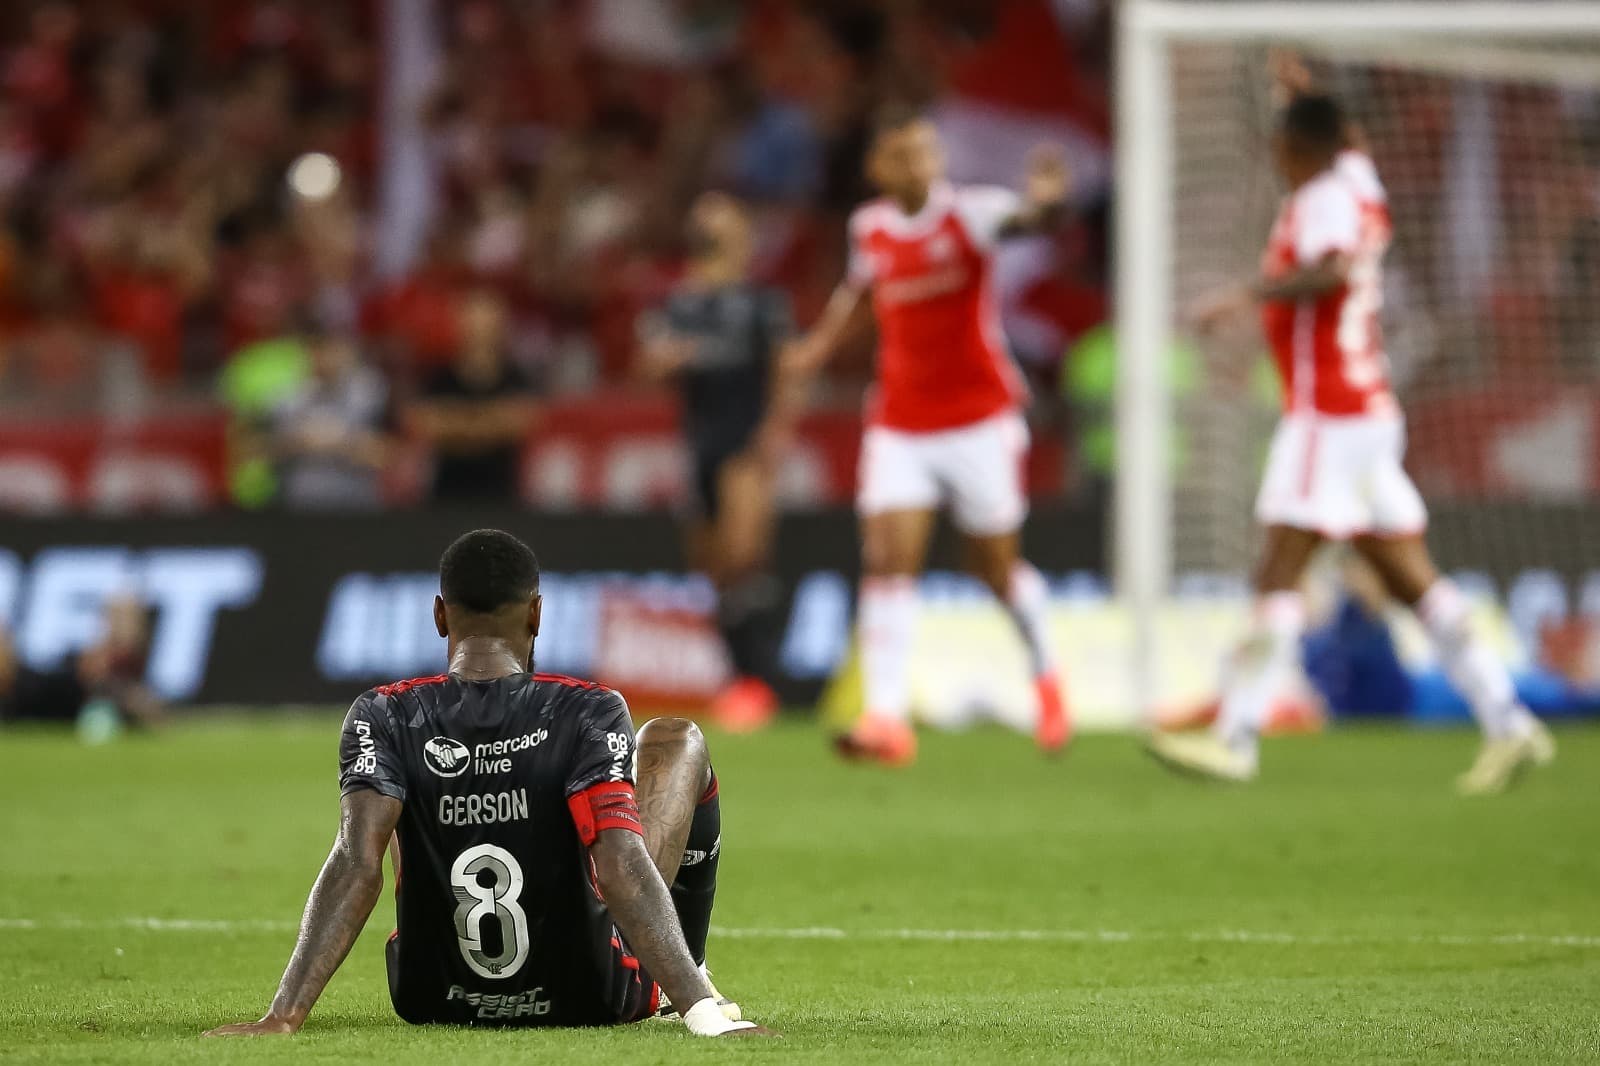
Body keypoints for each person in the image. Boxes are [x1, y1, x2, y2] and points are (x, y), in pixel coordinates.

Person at [1147, 82, 1555, 795]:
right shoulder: (1358, 179)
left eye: (1280, 146)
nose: (1273, 157)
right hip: (1367, 411)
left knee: (1277, 573)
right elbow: (1348, 141)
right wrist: (1299, 81)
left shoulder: (1321, 200)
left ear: (1297, 150)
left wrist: (1243, 294)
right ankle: (1510, 721)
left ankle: (1235, 739)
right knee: (1410, 580)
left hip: (1327, 414)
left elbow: (1331, 269)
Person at [205, 529, 773, 1038]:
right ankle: (693, 982)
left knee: (396, 803)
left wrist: (281, 1016)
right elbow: (620, 865)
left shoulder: (382, 713)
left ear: (439, 616)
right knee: (677, 738)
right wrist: (704, 1017)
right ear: (536, 615)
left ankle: (299, 1009)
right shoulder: (588, 709)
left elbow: (356, 864)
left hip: (433, 997)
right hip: (590, 994)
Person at [787, 105, 1073, 765]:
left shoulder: (969, 214)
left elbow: (1031, 220)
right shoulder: (871, 228)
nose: (920, 164)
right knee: (887, 558)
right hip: (900, 422)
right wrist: (817, 349)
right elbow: (859, 295)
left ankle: (1048, 676)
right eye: (905, 154)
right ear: (879, 168)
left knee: (994, 568)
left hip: (979, 418)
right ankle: (887, 719)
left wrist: (1051, 203)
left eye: (927, 151)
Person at [636, 192, 799, 732]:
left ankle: (761, 680)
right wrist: (666, 356)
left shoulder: (760, 303)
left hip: (743, 439)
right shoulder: (681, 302)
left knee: (744, 555)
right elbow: (649, 361)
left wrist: (775, 433)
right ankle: (740, 681)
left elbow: (785, 370)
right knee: (714, 569)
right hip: (700, 441)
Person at [409, 291, 540, 504]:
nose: (480, 327)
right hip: (446, 495)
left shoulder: (517, 376)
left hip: (502, 495)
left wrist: (455, 423)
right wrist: (491, 422)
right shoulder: (438, 376)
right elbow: (424, 424)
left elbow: (522, 423)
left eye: (487, 318)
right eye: (473, 317)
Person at [268, 329, 394, 509]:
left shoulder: (370, 391)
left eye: (332, 350)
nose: (326, 358)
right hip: (302, 502)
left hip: (356, 502)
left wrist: (331, 443)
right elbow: (268, 451)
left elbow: (385, 452)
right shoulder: (288, 397)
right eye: (318, 350)